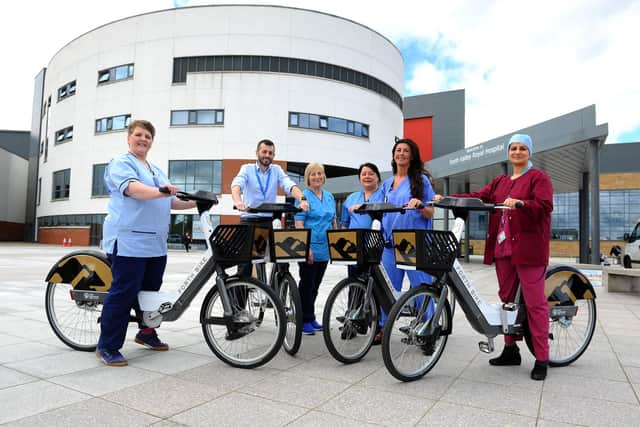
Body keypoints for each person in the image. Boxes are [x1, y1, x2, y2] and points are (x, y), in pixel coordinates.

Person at [435, 133, 553, 381]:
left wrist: (521, 204)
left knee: (534, 303)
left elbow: (544, 206)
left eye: (522, 148)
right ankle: (511, 349)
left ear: (529, 152)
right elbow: (480, 196)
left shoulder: (538, 178)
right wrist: (444, 199)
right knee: (507, 300)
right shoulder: (500, 181)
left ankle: (542, 357)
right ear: (508, 153)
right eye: (514, 148)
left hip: (529, 250)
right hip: (503, 249)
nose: (518, 152)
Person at [98, 120, 196, 366]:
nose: (143, 139)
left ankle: (147, 332)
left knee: (151, 293)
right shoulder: (121, 163)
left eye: (148, 136)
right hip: (129, 240)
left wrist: (199, 201)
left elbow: (170, 201)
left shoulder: (155, 169)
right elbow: (132, 189)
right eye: (139, 135)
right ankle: (107, 346)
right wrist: (162, 191)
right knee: (124, 292)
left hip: (155, 243)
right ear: (129, 138)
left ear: (152, 141)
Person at [379, 138, 436, 343]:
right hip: (389, 244)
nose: (401, 153)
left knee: (420, 287)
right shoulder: (387, 183)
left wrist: (420, 204)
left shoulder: (421, 180)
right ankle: (383, 327)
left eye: (405, 150)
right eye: (398, 150)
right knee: (387, 287)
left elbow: (429, 212)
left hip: (412, 243)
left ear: (412, 156)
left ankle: (428, 328)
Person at [231, 139, 309, 278]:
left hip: (269, 220)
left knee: (283, 259)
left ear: (274, 155)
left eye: (270, 153)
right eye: (264, 152)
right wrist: (238, 201)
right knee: (245, 266)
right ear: (257, 153)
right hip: (250, 220)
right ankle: (240, 298)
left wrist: (302, 199)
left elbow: (288, 185)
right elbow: (237, 184)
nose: (267, 155)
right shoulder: (247, 169)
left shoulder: (276, 170)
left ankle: (276, 293)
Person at [294, 163, 337, 335]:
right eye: (313, 174)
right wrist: (306, 248)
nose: (317, 176)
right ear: (308, 178)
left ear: (324, 176)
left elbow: (333, 220)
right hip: (309, 248)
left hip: (325, 249)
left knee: (316, 286)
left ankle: (311, 318)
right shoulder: (304, 197)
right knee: (306, 284)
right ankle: (303, 319)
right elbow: (299, 223)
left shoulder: (329, 196)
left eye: (320, 173)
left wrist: (336, 243)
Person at [340, 162, 385, 279]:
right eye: (363, 174)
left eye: (371, 174)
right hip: (354, 246)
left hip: (376, 246)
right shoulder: (351, 198)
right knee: (354, 283)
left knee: (374, 284)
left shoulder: (384, 196)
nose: (367, 176)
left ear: (377, 177)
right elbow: (344, 224)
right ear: (359, 178)